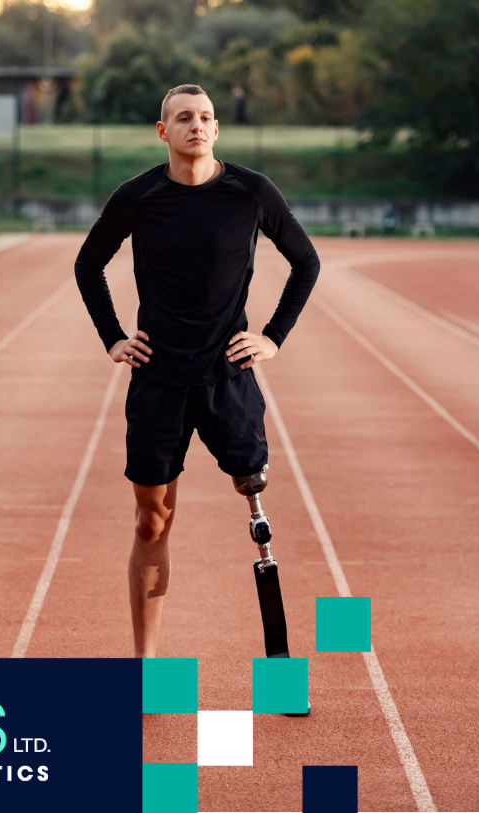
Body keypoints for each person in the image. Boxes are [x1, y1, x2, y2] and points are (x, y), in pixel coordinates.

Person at [73, 83, 321, 658]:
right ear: (163, 132)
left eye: (207, 117)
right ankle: (146, 665)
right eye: (184, 118)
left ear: (216, 128)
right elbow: (89, 263)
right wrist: (112, 338)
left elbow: (306, 262)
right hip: (159, 382)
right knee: (151, 524)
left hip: (227, 378)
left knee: (255, 498)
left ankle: (279, 654)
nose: (198, 126)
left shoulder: (250, 192)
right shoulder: (138, 197)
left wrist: (273, 338)